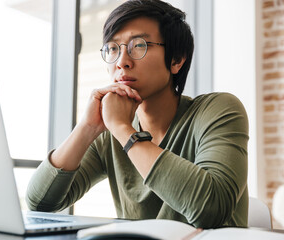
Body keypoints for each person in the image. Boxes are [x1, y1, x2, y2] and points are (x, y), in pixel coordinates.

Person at [26, 0, 249, 229]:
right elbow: (40, 203)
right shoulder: (109, 132)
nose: (122, 62)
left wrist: (125, 131)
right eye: (113, 49)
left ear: (176, 59)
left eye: (139, 45)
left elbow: (212, 210)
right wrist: (86, 127)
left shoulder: (218, 110)